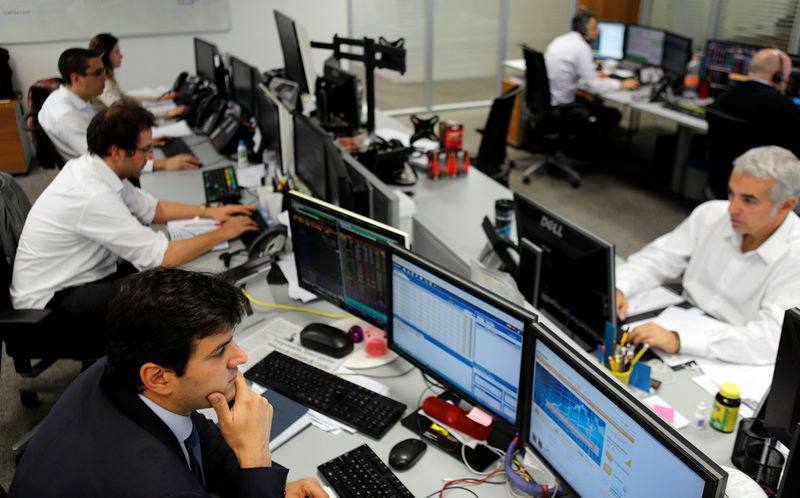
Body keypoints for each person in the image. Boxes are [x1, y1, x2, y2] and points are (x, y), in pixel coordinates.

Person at [9, 267, 328, 497]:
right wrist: (256, 456)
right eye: (219, 351)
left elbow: (197, 437)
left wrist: (272, 488)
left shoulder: (125, 366)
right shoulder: (158, 486)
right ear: (158, 377)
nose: (240, 357)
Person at [11, 103, 257, 333]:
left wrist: (209, 212)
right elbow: (162, 257)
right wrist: (223, 232)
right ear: (117, 152)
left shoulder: (94, 167)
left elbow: (152, 208)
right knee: (164, 300)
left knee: (166, 281)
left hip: (76, 274)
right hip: (49, 303)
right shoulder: (92, 194)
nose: (150, 157)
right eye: (145, 150)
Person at [616, 146, 800, 365]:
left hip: (737, 353)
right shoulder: (711, 214)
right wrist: (619, 287)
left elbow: (772, 337)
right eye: (731, 193)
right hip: (683, 319)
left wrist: (680, 340)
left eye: (748, 200)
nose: (732, 208)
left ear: (786, 206)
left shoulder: (795, 253)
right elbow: (658, 259)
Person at [38, 47, 199, 171]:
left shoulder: (68, 97)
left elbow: (101, 138)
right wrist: (164, 163)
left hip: (96, 160)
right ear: (76, 79)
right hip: (94, 173)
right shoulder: (66, 116)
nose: (105, 78)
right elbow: (102, 160)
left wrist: (135, 144)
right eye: (98, 73)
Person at [543, 8, 639, 143]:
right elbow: (593, 87)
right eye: (594, 28)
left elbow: (569, 74)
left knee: (590, 104)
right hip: (562, 105)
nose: (598, 32)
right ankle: (590, 153)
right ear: (582, 29)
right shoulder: (582, 48)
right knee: (611, 114)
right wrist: (621, 84)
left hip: (548, 101)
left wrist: (591, 75)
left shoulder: (560, 40)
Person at [714, 48, 800, 158]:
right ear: (778, 76)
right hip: (761, 174)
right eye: (787, 77)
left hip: (726, 173)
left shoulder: (724, 97)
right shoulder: (785, 108)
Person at [89, 33, 188, 120]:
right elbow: (121, 114)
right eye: (117, 52)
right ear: (105, 56)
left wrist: (158, 100)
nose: (121, 55)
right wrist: (165, 113)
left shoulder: (106, 77)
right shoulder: (105, 84)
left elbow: (125, 99)